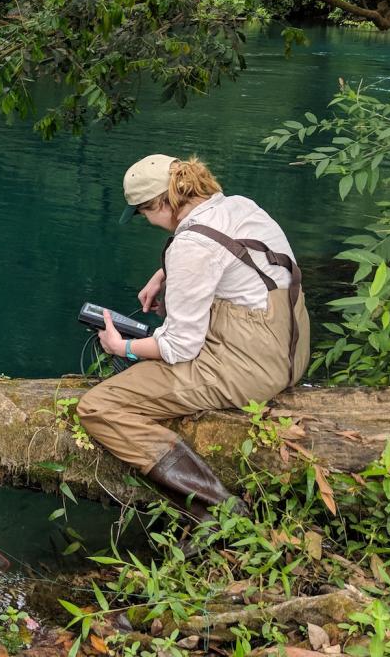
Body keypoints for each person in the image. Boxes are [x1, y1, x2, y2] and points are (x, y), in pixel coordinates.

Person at [76, 154, 310, 519]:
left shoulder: (190, 246)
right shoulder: (237, 206)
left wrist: (121, 346)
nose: (147, 222)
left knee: (98, 407)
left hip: (250, 369)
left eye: (143, 213)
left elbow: (179, 347)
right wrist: (166, 273)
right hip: (288, 352)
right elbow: (228, 251)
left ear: (161, 203)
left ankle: (218, 511)